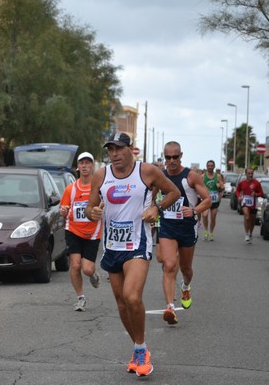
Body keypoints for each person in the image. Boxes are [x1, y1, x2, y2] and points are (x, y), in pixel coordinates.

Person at [85, 132, 180, 377]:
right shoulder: (100, 175)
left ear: (130, 149)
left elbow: (174, 193)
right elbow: (89, 207)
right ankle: (140, 347)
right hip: (112, 247)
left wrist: (156, 208)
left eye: (118, 149)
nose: (114, 154)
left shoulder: (147, 172)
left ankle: (139, 350)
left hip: (138, 244)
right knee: (121, 303)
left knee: (132, 296)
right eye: (110, 150)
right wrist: (92, 213)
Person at [157, 142, 211, 326]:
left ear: (181, 156)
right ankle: (170, 307)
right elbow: (151, 198)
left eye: (175, 157)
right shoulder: (160, 175)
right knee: (170, 265)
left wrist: (194, 210)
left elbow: (208, 200)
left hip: (187, 229)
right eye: (168, 157)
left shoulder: (191, 176)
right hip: (167, 228)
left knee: (186, 270)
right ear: (164, 157)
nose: (171, 161)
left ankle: (186, 287)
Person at [59, 151, 102, 312]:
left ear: (92, 166)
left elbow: (105, 207)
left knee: (87, 269)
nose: (84, 166)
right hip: (73, 230)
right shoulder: (70, 189)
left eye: (87, 163)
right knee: (75, 265)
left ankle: (93, 275)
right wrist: (62, 211)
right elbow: (63, 209)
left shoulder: (98, 189)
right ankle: (80, 298)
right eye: (82, 163)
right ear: (78, 167)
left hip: (92, 232)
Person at [235, 167, 265, 243]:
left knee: (252, 220)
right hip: (245, 202)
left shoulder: (256, 183)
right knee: (247, 217)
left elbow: (261, 193)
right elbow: (237, 191)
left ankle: (250, 233)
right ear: (246, 174)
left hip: (254, 203)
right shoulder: (242, 183)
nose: (250, 175)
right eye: (249, 173)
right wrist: (239, 197)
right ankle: (246, 234)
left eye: (252, 173)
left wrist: (256, 194)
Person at [201, 160, 224, 241]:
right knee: (205, 215)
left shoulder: (217, 176)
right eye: (209, 165)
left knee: (213, 218)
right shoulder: (203, 176)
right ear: (207, 166)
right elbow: (199, 187)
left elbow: (222, 187)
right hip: (206, 199)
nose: (210, 167)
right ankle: (206, 231)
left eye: (211, 165)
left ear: (214, 167)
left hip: (215, 200)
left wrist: (219, 186)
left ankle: (211, 233)